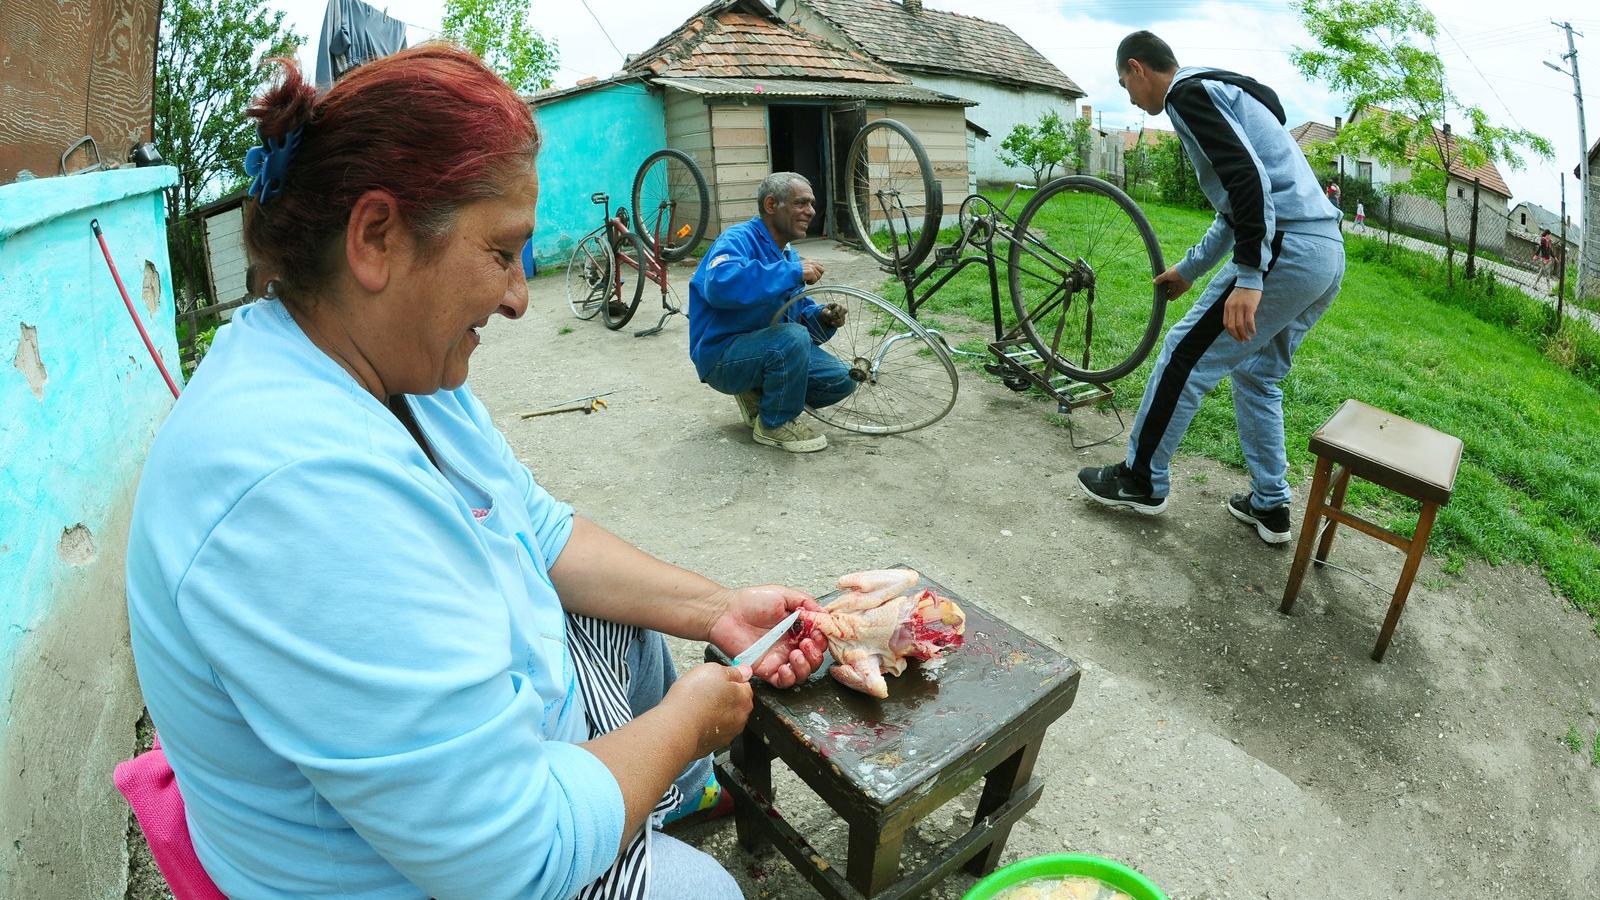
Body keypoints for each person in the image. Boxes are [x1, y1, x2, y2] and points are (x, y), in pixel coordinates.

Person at [124, 46, 827, 899]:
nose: (520, 297)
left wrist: (718, 609)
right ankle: (653, 816)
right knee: (709, 892)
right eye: (502, 252)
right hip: (398, 876)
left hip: (456, 815)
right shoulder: (297, 493)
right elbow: (508, 859)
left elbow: (533, 524)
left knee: (631, 629)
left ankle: (653, 807)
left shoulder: (392, 366)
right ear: (376, 238)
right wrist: (685, 728)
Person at [1078, 31, 1345, 545]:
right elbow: (1234, 207)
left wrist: (1248, 277)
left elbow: (1251, 183)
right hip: (1324, 253)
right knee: (1259, 376)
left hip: (1284, 249)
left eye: (1124, 84)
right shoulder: (1221, 94)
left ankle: (1141, 478)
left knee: (1184, 353)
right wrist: (1190, 269)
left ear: (1138, 68)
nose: (1129, 97)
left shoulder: (1187, 94)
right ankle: (1271, 504)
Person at [688, 172, 854, 453]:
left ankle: (758, 394)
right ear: (770, 205)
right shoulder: (737, 239)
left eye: (812, 204)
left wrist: (823, 318)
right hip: (722, 356)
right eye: (801, 203)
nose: (811, 211)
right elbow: (719, 285)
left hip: (764, 349)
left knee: (841, 379)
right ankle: (774, 424)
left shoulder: (786, 253)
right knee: (791, 339)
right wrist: (791, 272)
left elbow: (796, 317)